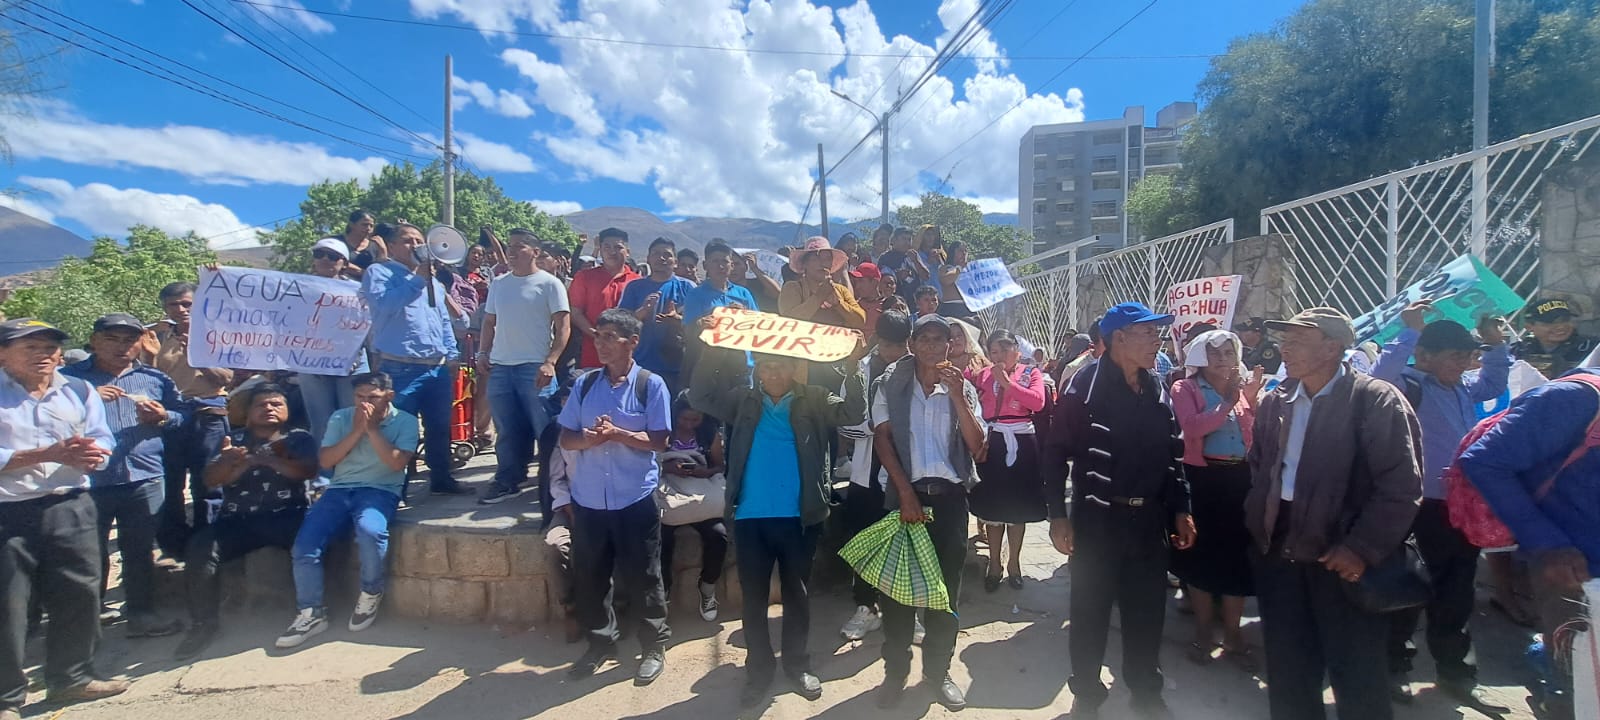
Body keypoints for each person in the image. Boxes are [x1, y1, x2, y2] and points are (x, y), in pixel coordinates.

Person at [1246, 307, 1423, 720]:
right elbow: (1261, 466)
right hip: (1282, 551)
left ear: (1332, 347)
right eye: (1283, 340)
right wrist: (1261, 526)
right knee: (1289, 668)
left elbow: (1400, 487)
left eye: (1296, 341)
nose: (1283, 349)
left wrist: (1360, 547)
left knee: (1357, 671)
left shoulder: (1374, 400)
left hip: (1343, 555)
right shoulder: (1278, 399)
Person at [689, 342, 866, 707]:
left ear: (794, 368)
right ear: (757, 369)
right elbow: (702, 395)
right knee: (753, 600)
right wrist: (710, 346)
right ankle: (759, 672)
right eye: (766, 366)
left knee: (796, 595)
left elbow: (851, 412)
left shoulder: (814, 398)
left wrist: (852, 366)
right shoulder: (743, 401)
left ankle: (798, 665)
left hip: (799, 517)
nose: (772, 374)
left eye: (780, 366)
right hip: (751, 516)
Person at [1042, 302, 1194, 719]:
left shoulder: (1157, 386)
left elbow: (1173, 453)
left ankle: (1146, 690)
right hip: (1098, 520)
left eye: (1157, 333)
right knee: (1089, 612)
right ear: (1118, 339)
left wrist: (1181, 507)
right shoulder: (1083, 388)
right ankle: (1087, 694)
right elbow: (1054, 454)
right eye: (1148, 333)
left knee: (1146, 612)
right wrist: (1058, 514)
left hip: (1149, 522)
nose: (1157, 341)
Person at [1369, 303, 1510, 709]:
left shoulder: (1462, 388)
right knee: (1405, 588)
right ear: (1425, 356)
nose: (1462, 365)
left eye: (1467, 357)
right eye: (1454, 357)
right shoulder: (1410, 384)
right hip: (1417, 504)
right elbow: (1379, 377)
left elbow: (1493, 383)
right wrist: (1411, 332)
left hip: (1458, 504)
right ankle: (1394, 667)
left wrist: (1495, 345)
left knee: (1457, 589)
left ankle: (1456, 672)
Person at [1458, 363, 1600, 720]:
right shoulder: (1573, 399)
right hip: (1574, 572)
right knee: (1578, 688)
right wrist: (1547, 543)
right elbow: (1484, 462)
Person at [0, 318, 126, 715]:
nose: (45, 355)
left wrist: (94, 454)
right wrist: (46, 455)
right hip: (8, 510)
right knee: (9, 605)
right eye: (31, 347)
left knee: (80, 593)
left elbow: (102, 436)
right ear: (3, 354)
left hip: (70, 505)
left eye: (51, 348)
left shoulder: (78, 389)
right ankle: (6, 698)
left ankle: (71, 679)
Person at [869, 314, 987, 711]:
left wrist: (956, 396)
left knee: (944, 595)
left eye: (943, 340)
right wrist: (905, 493)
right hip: (907, 496)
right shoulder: (890, 384)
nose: (935, 346)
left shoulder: (963, 387)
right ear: (914, 344)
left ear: (951, 346)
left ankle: (938, 673)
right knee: (899, 594)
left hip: (951, 499)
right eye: (927, 339)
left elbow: (978, 447)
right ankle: (895, 673)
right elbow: (883, 440)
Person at [559, 308, 673, 685]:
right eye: (598, 336)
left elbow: (659, 441)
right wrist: (589, 439)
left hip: (633, 498)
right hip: (590, 499)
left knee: (643, 576)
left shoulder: (650, 385)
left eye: (611, 337)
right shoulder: (585, 384)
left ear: (632, 342)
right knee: (590, 575)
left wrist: (618, 434)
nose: (602, 344)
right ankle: (600, 643)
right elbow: (566, 438)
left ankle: (652, 645)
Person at [63, 313, 185, 638]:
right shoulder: (68, 380)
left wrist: (163, 416)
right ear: (93, 341)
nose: (121, 347)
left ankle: (141, 615)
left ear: (139, 343)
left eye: (129, 340)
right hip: (88, 481)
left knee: (140, 551)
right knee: (87, 554)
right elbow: (47, 421)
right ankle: (86, 623)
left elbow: (181, 417)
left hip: (144, 476)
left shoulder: (154, 378)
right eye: (112, 339)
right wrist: (87, 401)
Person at [277, 372, 418, 649]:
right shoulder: (342, 418)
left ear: (388, 397)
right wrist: (356, 431)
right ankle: (310, 612)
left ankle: (370, 592)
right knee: (305, 544)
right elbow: (327, 460)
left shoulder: (406, 421)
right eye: (359, 397)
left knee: (370, 531)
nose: (364, 404)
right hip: (339, 489)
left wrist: (373, 430)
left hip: (380, 490)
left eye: (372, 398)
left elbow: (395, 464)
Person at [176, 383, 317, 659]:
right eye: (261, 405)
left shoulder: (299, 438)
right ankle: (204, 624)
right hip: (238, 519)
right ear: (249, 413)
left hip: (287, 515)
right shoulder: (233, 440)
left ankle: (312, 612)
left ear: (288, 410)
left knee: (313, 544)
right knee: (200, 549)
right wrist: (228, 464)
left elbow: (307, 471)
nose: (269, 409)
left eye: (276, 404)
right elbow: (210, 480)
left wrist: (267, 460)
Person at [1169, 330, 1261, 671]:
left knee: (1236, 557)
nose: (1223, 360)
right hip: (1204, 481)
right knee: (1202, 557)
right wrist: (1227, 401)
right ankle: (1204, 631)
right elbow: (1192, 429)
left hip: (1239, 480)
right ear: (1199, 358)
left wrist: (1247, 399)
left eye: (1228, 352)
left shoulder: (1241, 390)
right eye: (1215, 354)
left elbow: (1249, 431)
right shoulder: (1186, 388)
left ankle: (1234, 634)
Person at [360, 222, 465, 496]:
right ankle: (397, 487)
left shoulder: (434, 282)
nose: (416, 245)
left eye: (419, 240)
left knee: (440, 427)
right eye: (408, 240)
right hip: (398, 367)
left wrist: (452, 355)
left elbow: (442, 321)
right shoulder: (379, 272)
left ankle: (441, 478)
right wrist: (417, 278)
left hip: (436, 368)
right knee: (399, 428)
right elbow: (384, 307)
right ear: (392, 246)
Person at [476, 231, 572, 505]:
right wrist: (484, 351)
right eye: (510, 247)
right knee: (506, 429)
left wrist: (550, 361)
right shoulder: (499, 284)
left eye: (520, 246)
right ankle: (509, 479)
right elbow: (489, 322)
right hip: (501, 366)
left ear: (535, 252)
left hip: (534, 367)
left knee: (546, 428)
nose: (512, 251)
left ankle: (553, 481)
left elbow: (563, 327)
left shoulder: (550, 284)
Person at [838, 310, 912, 641]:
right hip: (869, 471)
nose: (893, 352)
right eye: (887, 344)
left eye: (899, 344)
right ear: (877, 340)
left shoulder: (918, 368)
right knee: (864, 540)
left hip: (909, 472)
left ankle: (909, 611)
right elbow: (843, 419)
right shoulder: (859, 370)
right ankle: (866, 607)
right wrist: (873, 428)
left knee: (908, 542)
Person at [146, 281, 233, 555]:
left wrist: (197, 356)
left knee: (207, 480)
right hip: (170, 415)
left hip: (208, 412)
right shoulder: (158, 337)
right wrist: (148, 357)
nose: (181, 309)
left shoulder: (216, 333)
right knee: (170, 482)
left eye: (187, 303)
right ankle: (173, 545)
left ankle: (207, 541)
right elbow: (151, 379)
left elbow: (226, 377)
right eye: (174, 305)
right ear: (165, 308)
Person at [968, 330, 1047, 592]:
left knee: (1018, 507)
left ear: (1017, 349)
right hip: (996, 439)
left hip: (1023, 440)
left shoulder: (1030, 373)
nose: (1000, 356)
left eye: (1005, 349)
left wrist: (1008, 384)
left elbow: (1037, 402)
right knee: (994, 507)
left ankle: (1014, 562)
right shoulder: (983, 375)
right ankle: (994, 563)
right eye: (994, 351)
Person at [657, 396, 728, 623]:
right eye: (684, 419)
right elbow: (647, 465)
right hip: (670, 494)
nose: (688, 424)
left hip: (701, 495)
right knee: (660, 538)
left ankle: (707, 587)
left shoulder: (709, 433)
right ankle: (663, 591)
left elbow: (719, 466)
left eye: (694, 419)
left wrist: (702, 472)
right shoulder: (662, 432)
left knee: (719, 536)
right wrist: (669, 467)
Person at [297, 238, 367, 447]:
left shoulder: (359, 291)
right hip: (311, 365)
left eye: (333, 256)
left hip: (352, 364)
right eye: (320, 255)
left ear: (344, 263)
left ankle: (355, 473)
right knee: (321, 424)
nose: (326, 260)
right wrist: (218, 275)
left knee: (356, 420)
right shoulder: (296, 288)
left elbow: (367, 328)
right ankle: (324, 476)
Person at [620, 238, 696, 394]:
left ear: (675, 262)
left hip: (677, 368)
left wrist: (678, 320)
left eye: (667, 255)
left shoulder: (689, 288)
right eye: (656, 253)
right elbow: (620, 324)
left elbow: (699, 325)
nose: (661, 258)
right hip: (640, 364)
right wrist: (641, 313)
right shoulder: (634, 287)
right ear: (648, 259)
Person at [569, 228, 640, 370]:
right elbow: (575, 312)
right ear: (600, 249)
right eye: (607, 247)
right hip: (592, 355)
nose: (612, 251)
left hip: (627, 357)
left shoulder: (637, 281)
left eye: (618, 247)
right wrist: (597, 335)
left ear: (627, 251)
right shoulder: (584, 277)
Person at [1511, 298, 1597, 380]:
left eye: (1565, 320)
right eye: (1550, 322)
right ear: (1529, 327)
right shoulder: (1518, 351)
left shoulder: (1592, 347)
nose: (1561, 326)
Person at [935, 241, 973, 319]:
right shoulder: (944, 268)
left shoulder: (969, 270)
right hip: (951, 307)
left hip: (968, 307)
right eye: (960, 250)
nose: (964, 253)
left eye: (965, 251)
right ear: (953, 252)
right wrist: (959, 268)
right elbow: (946, 281)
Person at [340, 209, 379, 279]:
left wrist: (383, 250)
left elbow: (380, 270)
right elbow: (332, 261)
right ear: (352, 225)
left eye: (371, 226)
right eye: (365, 225)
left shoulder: (375, 246)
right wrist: (363, 272)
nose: (368, 228)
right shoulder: (336, 242)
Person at [848, 263, 884, 337]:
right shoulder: (853, 305)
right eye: (856, 282)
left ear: (874, 282)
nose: (857, 286)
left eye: (861, 281)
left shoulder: (889, 306)